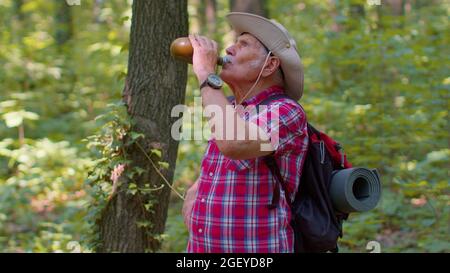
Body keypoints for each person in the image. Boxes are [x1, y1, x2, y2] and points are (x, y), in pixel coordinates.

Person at [182, 12, 308, 253]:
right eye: (234, 42)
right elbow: (222, 162)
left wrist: (206, 74)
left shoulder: (286, 111)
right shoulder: (229, 108)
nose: (229, 49)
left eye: (243, 44)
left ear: (270, 65)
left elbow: (235, 143)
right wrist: (194, 192)